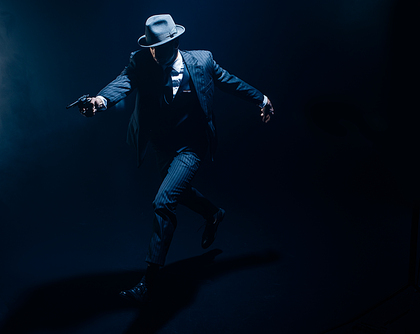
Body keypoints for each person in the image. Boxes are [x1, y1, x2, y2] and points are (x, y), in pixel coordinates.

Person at [78, 14, 274, 302]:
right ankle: (212, 213)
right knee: (177, 194)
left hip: (192, 144)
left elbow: (229, 81)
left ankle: (149, 280)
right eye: (151, 47)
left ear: (175, 42)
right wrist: (100, 101)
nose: (154, 53)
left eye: (160, 46)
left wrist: (262, 99)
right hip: (162, 144)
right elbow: (123, 82)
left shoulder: (202, 60)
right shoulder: (141, 61)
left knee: (163, 201)